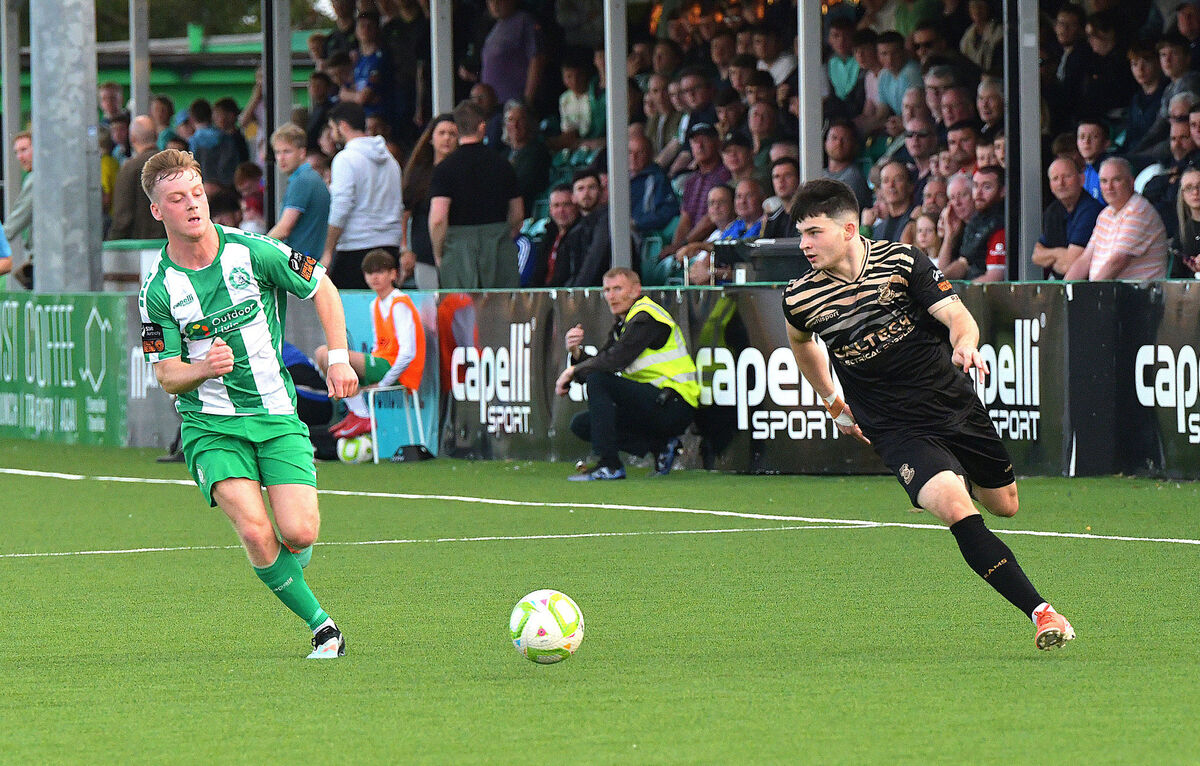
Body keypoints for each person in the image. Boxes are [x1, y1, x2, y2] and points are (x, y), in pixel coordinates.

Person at [781, 178, 1075, 651]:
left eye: (814, 232)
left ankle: (958, 471)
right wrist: (833, 402)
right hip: (892, 427)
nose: (804, 244)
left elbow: (958, 316)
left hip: (951, 405)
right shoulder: (800, 296)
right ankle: (1043, 613)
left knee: (1005, 505)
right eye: (802, 233)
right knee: (958, 510)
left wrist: (966, 348)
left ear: (849, 229)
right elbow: (802, 344)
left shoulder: (902, 263)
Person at [137, 148, 357, 658]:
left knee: (298, 533)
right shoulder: (157, 291)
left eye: (197, 193)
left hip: (276, 415)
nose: (192, 205)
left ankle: (287, 568)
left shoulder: (254, 251)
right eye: (177, 199)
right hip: (211, 427)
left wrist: (340, 358)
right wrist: (201, 368)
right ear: (157, 211)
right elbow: (168, 375)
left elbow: (321, 283)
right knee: (258, 532)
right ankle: (323, 627)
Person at [556, 267, 700, 481]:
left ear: (635, 290)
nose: (611, 296)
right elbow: (602, 361)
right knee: (582, 424)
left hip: (675, 404)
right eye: (606, 290)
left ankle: (610, 465)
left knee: (599, 380)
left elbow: (614, 361)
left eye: (617, 289)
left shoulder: (646, 317)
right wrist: (576, 354)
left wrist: (572, 371)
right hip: (652, 404)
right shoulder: (625, 323)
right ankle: (660, 446)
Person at [315, 249, 426, 440]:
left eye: (380, 271)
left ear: (393, 274)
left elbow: (408, 353)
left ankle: (361, 415)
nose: (374, 277)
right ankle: (357, 412)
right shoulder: (376, 304)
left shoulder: (399, 303)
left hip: (398, 370)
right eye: (369, 272)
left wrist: (383, 383)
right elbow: (378, 345)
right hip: (382, 363)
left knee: (327, 354)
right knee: (321, 354)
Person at [429, 99, 523, 289]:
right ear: (482, 127)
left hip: (457, 249)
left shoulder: (444, 169)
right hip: (498, 245)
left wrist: (439, 253)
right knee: (500, 312)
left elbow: (438, 219)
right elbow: (518, 214)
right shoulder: (504, 165)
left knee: (461, 314)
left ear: (457, 128)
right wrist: (503, 235)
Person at [321, 101, 403, 290]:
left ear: (343, 126)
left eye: (333, 128)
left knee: (350, 312)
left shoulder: (345, 159)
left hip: (355, 248)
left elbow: (341, 207)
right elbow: (398, 204)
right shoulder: (390, 160)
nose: (333, 135)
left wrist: (327, 251)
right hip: (390, 246)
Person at [1066, 157, 1169, 281]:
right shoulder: (1105, 214)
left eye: (1116, 180)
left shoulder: (1138, 210)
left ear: (1131, 182)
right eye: (1104, 181)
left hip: (1138, 296)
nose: (1109, 187)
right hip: (1111, 293)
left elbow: (1117, 262)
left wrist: (1092, 292)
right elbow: (1085, 260)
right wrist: (1063, 291)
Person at [401, 114, 458, 285]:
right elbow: (405, 215)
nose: (447, 138)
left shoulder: (462, 172)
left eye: (452, 134)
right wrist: (405, 250)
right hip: (423, 255)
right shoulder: (419, 173)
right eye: (441, 133)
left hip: (456, 255)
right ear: (431, 138)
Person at [266, 123, 331, 261]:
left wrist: (257, 247)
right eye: (277, 152)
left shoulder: (302, 181)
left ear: (302, 153)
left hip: (301, 263)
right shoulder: (310, 177)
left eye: (287, 151)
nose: (281, 158)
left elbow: (284, 229)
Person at [1032, 156, 1103, 279]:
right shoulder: (1052, 211)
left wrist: (1051, 257)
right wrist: (1060, 254)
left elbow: (1070, 264)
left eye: (1067, 176)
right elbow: (1036, 256)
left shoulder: (1091, 209)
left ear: (1081, 179)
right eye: (1055, 178)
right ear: (1050, 185)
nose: (1061, 183)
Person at [108, 115, 168, 241]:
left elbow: (122, 218)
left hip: (141, 248)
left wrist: (111, 248)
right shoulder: (175, 165)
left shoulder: (129, 169)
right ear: (157, 136)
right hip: (173, 247)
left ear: (132, 139)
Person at [5, 131, 34, 288]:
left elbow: (18, 218)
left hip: (46, 261)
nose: (20, 157)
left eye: (24, 150)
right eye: (17, 152)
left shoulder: (36, 179)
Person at [1170, 165, 1200, 277]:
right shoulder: (1182, 231)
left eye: (1199, 186)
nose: (1195, 192)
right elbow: (1175, 275)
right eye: (1188, 188)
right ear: (1182, 194)